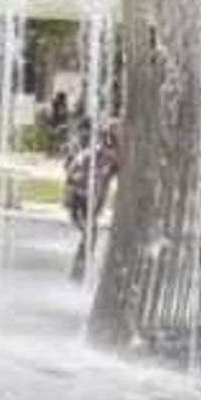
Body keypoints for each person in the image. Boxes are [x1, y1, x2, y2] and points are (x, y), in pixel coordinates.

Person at [64, 119, 120, 281]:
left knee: (90, 235)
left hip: (89, 203)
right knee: (90, 234)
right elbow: (71, 173)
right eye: (113, 141)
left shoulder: (110, 161)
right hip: (80, 200)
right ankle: (78, 272)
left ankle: (79, 271)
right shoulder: (92, 156)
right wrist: (75, 188)